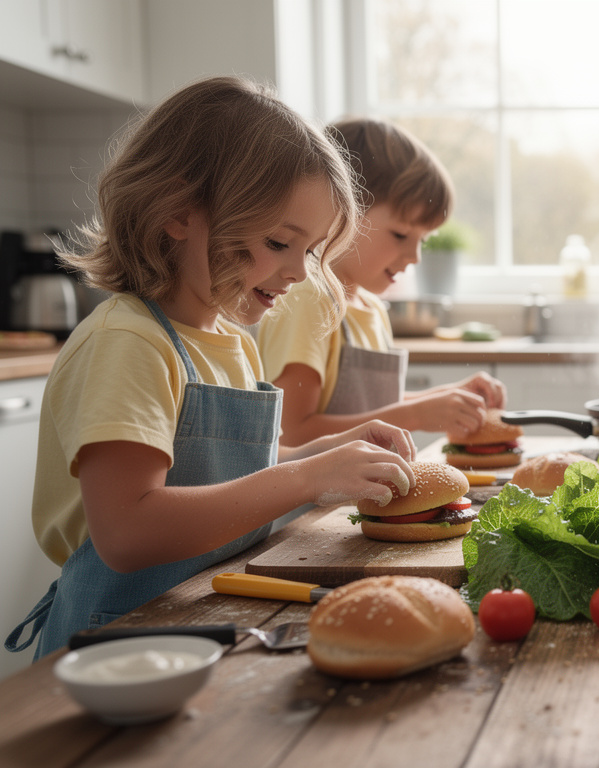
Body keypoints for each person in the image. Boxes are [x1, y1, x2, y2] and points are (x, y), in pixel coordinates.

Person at [4, 77, 419, 660]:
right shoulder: (127, 343)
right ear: (178, 213)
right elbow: (127, 530)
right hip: (114, 645)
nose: (299, 271)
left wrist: (327, 458)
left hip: (201, 617)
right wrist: (306, 479)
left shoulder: (231, 340)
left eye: (311, 250)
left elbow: (239, 478)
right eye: (280, 242)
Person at [258, 117, 504, 447]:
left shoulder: (371, 307)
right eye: (401, 234)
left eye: (423, 240)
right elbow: (291, 433)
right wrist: (416, 414)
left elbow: (369, 408)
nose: (415, 256)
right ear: (341, 212)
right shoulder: (309, 297)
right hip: (316, 500)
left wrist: (449, 398)